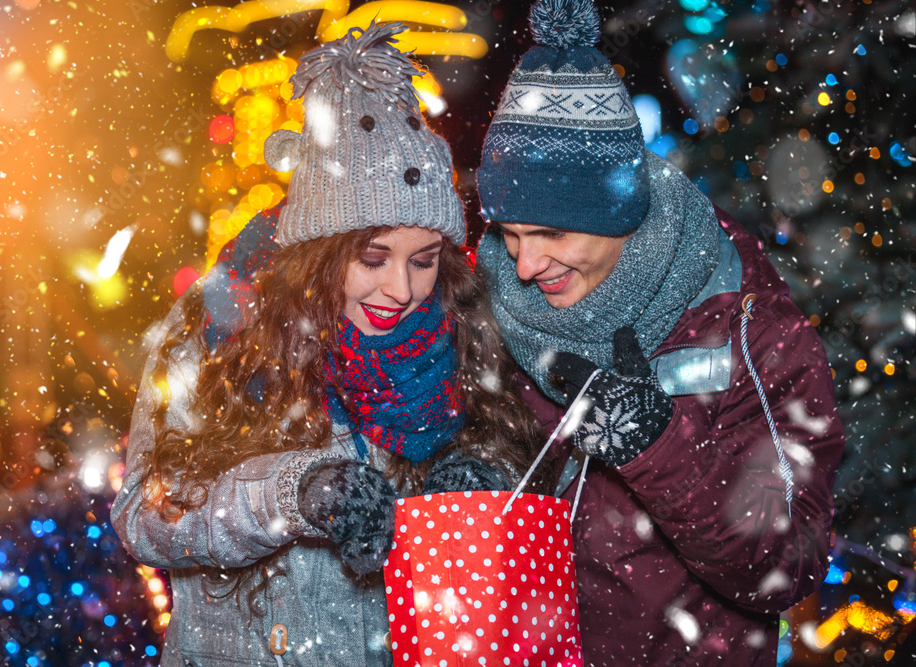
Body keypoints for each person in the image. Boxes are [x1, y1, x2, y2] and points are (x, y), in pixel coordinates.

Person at [111, 23, 542, 667]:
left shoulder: (459, 329)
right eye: (372, 258)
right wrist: (294, 493)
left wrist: (481, 491)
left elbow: (521, 459)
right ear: (318, 252)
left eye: (424, 260)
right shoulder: (218, 327)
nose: (402, 287)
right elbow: (146, 515)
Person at [473, 0, 845, 665]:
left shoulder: (741, 319)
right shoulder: (490, 301)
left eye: (552, 233)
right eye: (509, 234)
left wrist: (655, 449)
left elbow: (786, 566)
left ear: (621, 212)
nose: (525, 265)